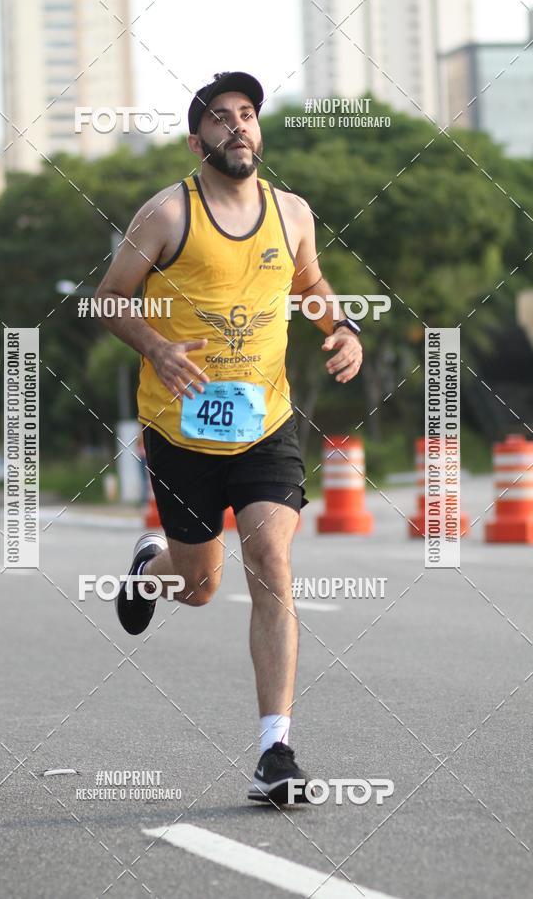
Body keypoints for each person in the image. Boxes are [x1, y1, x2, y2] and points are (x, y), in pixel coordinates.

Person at [96, 71, 363, 804]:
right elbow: (110, 298)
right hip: (180, 433)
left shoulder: (293, 212)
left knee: (270, 559)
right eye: (221, 118)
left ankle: (274, 751)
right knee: (201, 587)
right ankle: (152, 569)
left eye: (247, 115)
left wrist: (340, 328)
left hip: (267, 426)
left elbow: (310, 281)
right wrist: (155, 347)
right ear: (197, 140)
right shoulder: (164, 216)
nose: (238, 126)